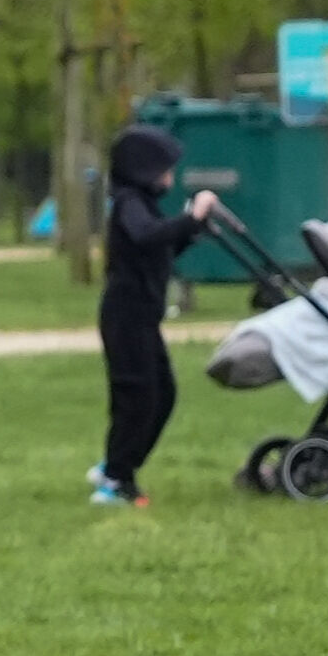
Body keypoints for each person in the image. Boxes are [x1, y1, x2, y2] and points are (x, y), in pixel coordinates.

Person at [91, 122, 214, 506]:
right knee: (138, 396)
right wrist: (190, 219)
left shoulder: (144, 205)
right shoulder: (129, 203)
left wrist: (189, 232)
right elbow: (146, 236)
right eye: (164, 169)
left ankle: (119, 464)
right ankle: (116, 479)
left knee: (163, 394)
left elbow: (158, 251)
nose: (169, 177)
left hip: (143, 316)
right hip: (126, 317)